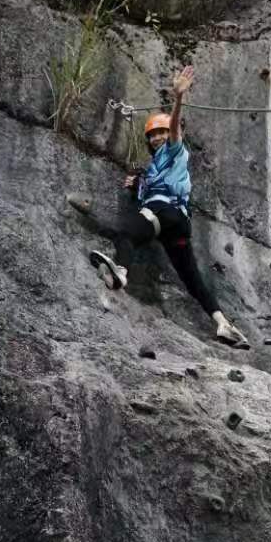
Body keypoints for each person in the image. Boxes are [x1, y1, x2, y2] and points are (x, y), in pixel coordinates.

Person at [68, 65, 248, 348]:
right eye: (153, 135)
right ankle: (223, 324)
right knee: (192, 280)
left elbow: (175, 130)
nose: (157, 138)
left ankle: (121, 273)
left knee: (124, 234)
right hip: (174, 227)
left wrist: (178, 99)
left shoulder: (176, 151)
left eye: (161, 133)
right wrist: (135, 186)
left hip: (165, 212)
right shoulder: (153, 169)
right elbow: (145, 191)